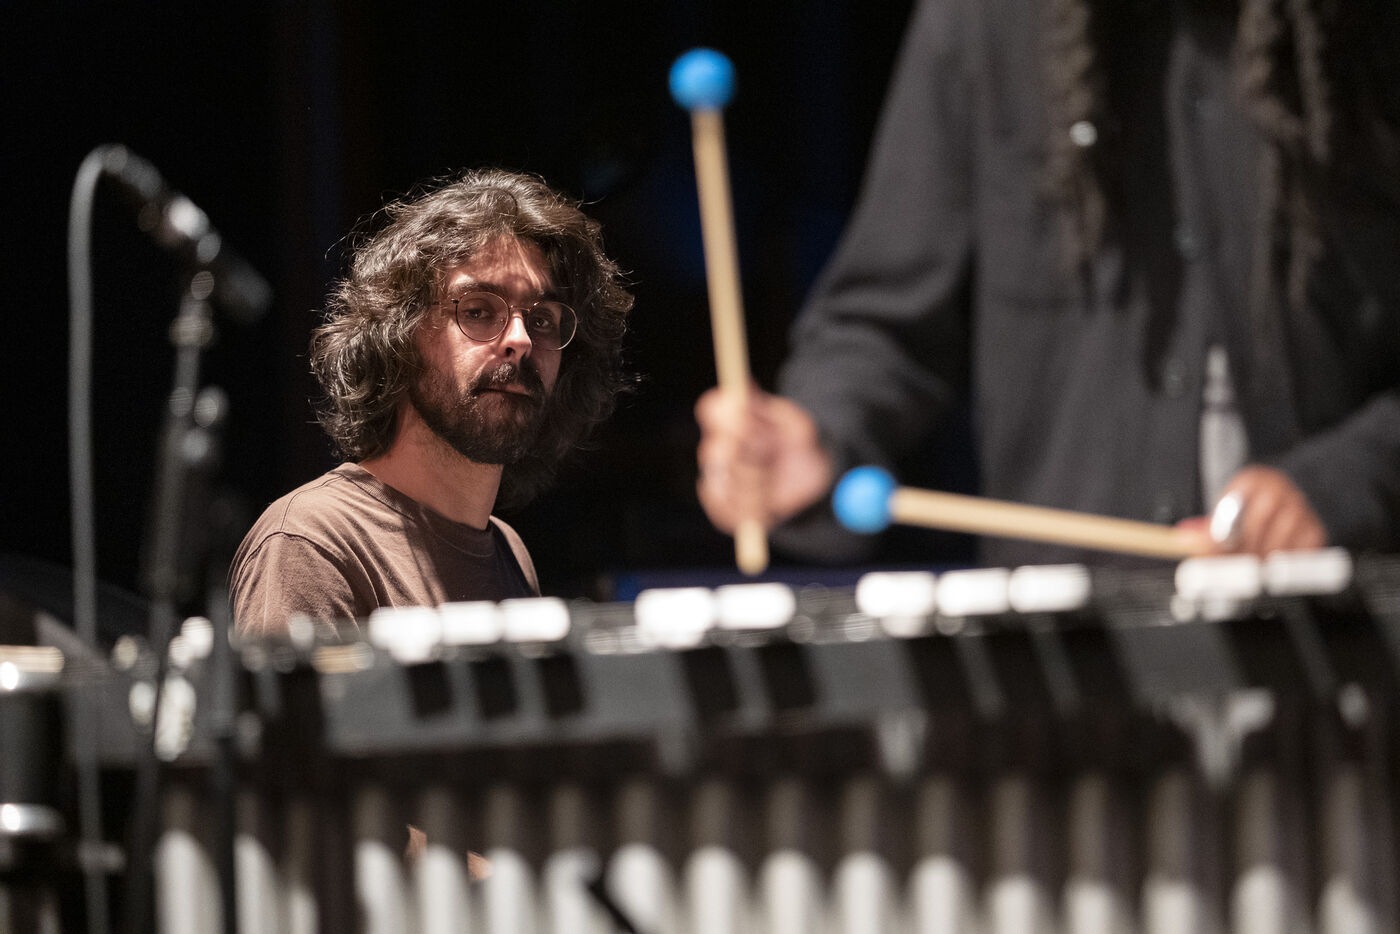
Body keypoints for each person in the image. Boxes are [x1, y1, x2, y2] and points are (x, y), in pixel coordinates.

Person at [696, 0, 1400, 568]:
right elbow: (883, 323)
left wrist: (1344, 483)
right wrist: (818, 435)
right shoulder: (983, 22)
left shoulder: (1370, 34)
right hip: (1068, 647)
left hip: (1344, 630)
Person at [231, 169, 632, 635]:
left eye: (542, 319)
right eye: (478, 311)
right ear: (398, 337)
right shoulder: (312, 542)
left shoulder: (509, 550)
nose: (521, 340)